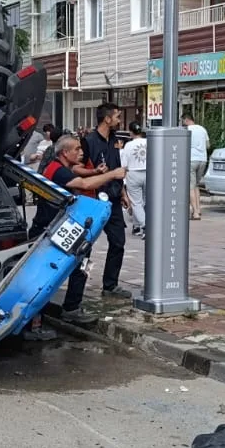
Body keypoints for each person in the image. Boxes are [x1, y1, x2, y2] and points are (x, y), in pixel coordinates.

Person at [23, 135, 127, 338]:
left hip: (56, 229)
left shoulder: (58, 168)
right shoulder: (58, 171)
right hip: (49, 231)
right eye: (77, 149)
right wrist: (113, 174)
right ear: (65, 152)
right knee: (47, 277)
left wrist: (97, 172)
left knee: (82, 264)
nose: (81, 152)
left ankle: (68, 308)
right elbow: (84, 184)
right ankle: (40, 323)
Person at [76, 103, 133, 301]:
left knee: (118, 242)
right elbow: (77, 169)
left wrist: (123, 193)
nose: (119, 120)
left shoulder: (116, 140)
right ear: (107, 119)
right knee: (85, 247)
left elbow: (117, 168)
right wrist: (94, 173)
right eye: (117, 116)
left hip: (114, 198)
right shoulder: (88, 142)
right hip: (93, 200)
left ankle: (110, 284)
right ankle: (76, 289)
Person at [122, 125, 149, 238]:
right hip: (149, 172)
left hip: (133, 173)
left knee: (136, 202)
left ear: (131, 132)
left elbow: (124, 164)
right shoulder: (149, 142)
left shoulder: (128, 145)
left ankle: (144, 226)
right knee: (145, 201)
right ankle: (138, 225)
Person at [183, 113, 210, 220]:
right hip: (203, 159)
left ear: (186, 120)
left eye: (183, 121)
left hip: (191, 159)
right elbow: (208, 145)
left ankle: (195, 213)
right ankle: (198, 209)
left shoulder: (187, 130)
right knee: (196, 185)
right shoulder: (203, 129)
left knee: (190, 186)